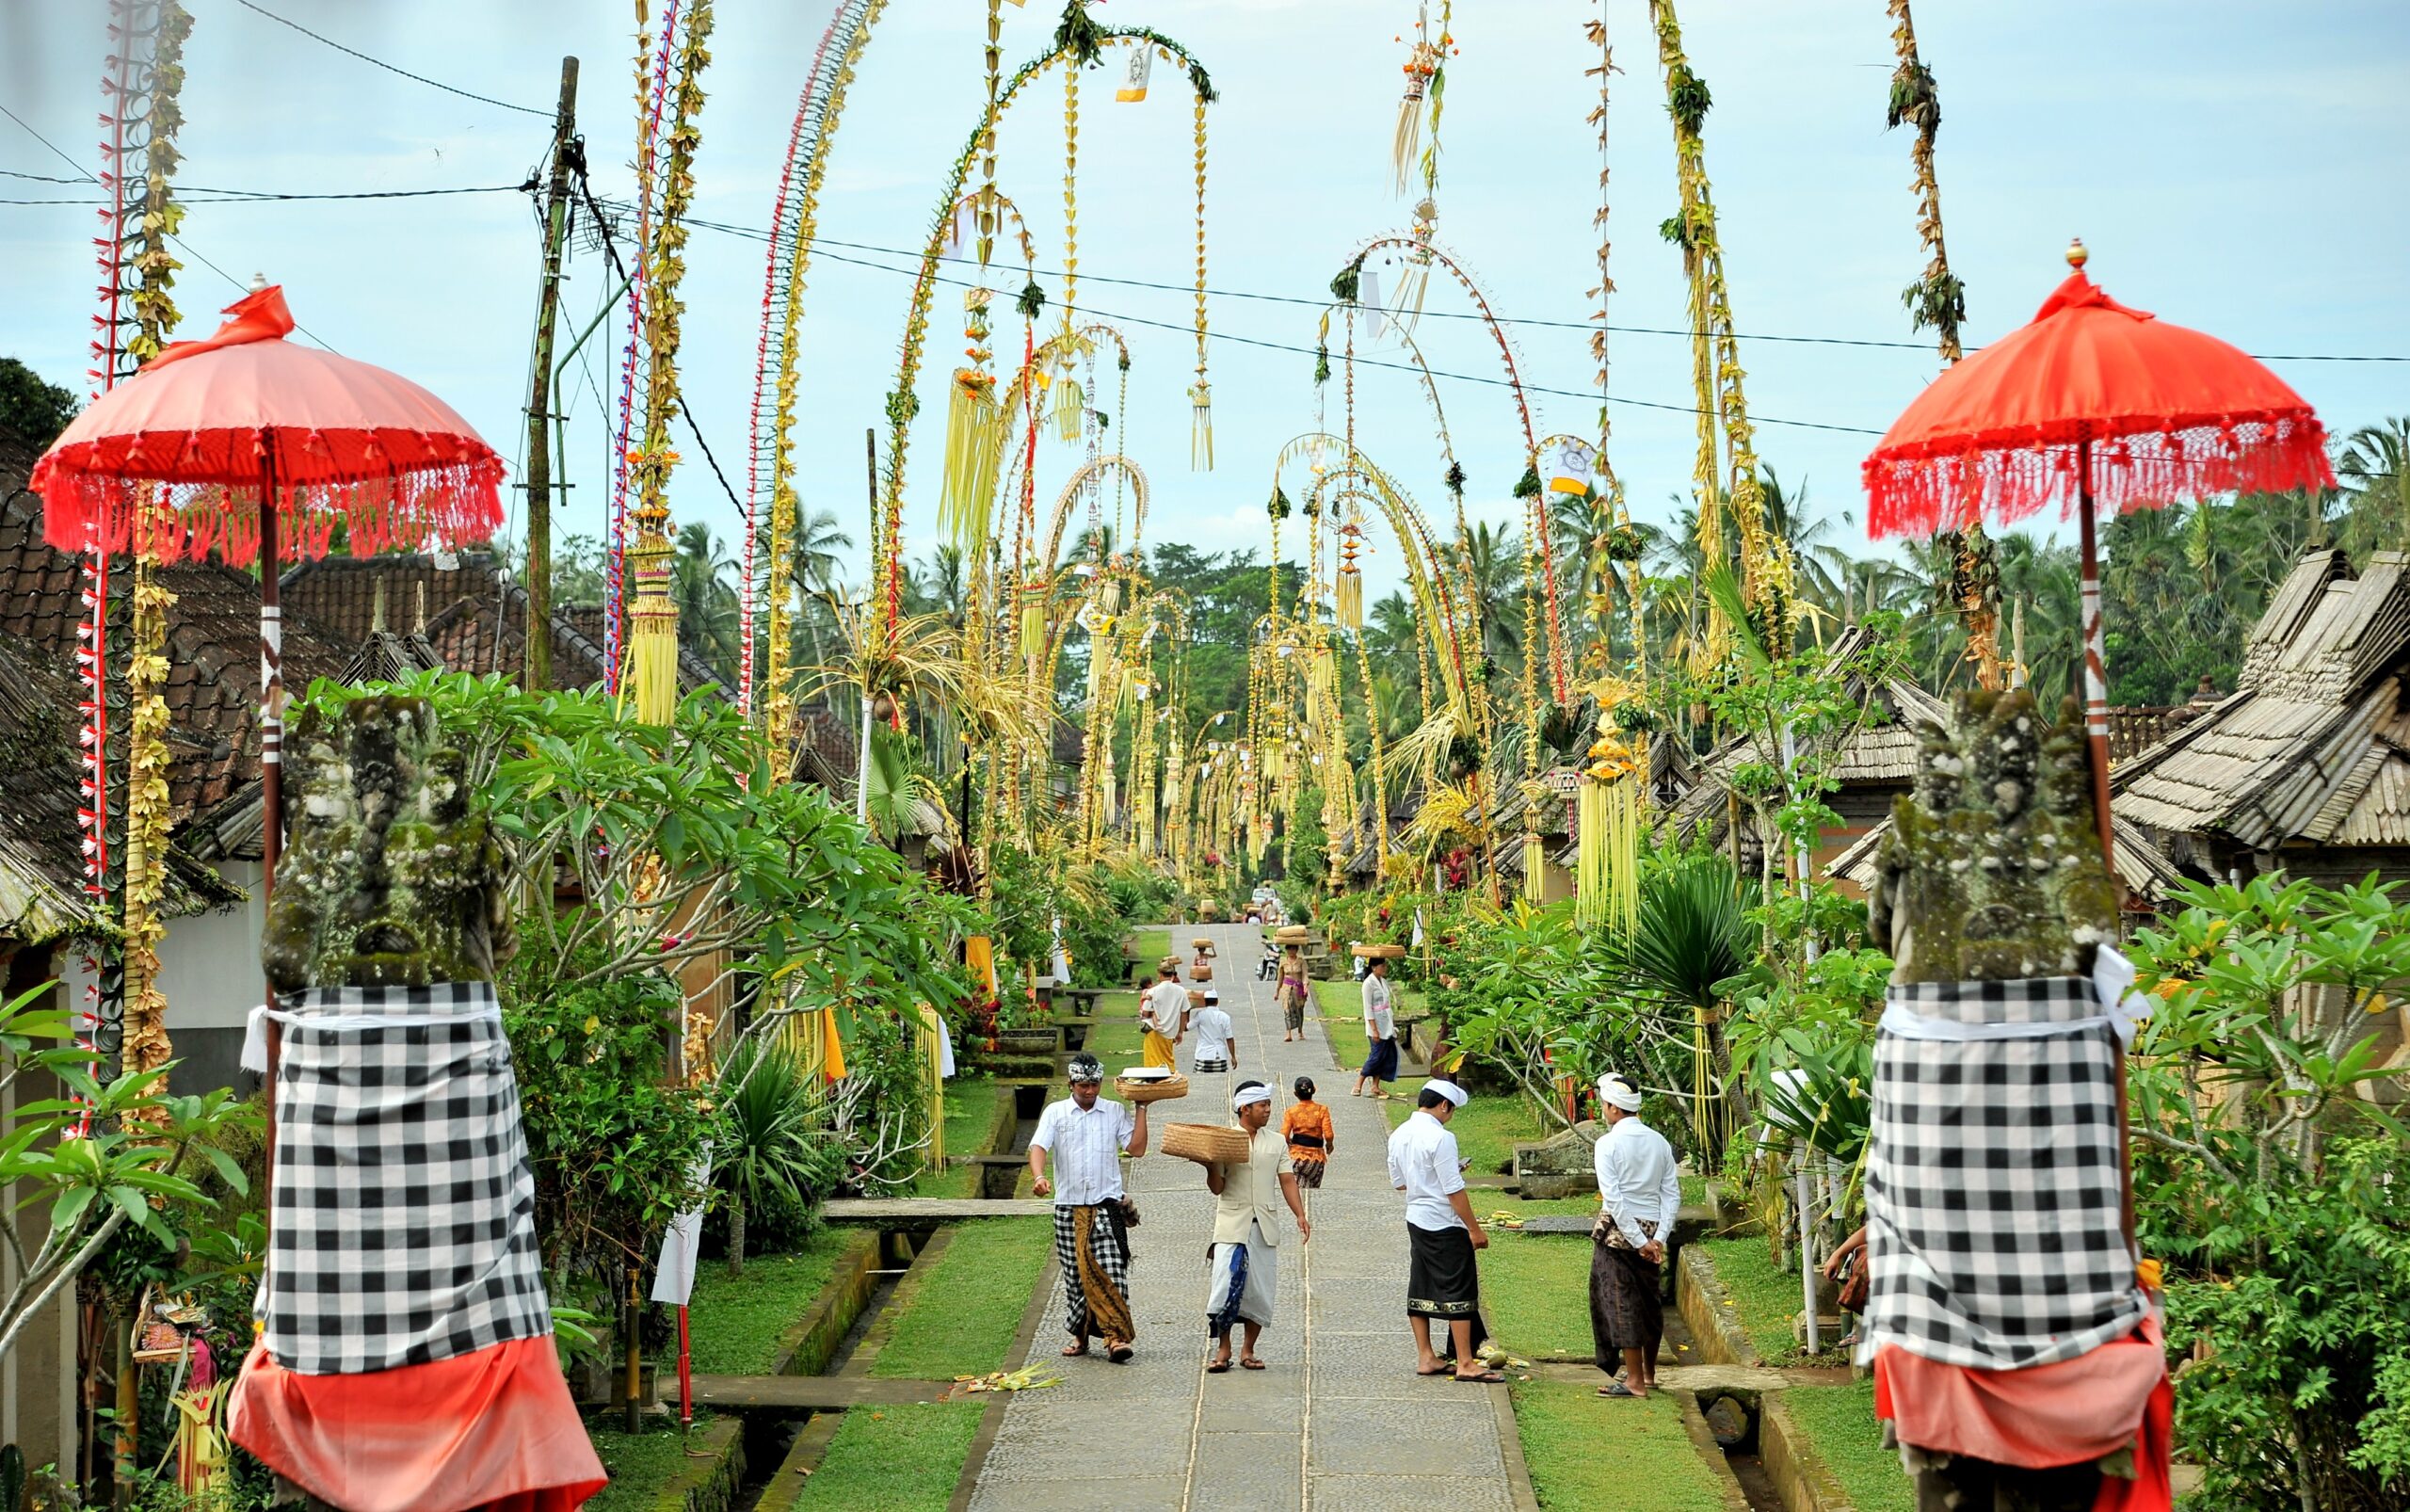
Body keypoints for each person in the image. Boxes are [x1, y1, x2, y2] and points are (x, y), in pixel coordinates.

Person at [1029, 1053, 1149, 1362]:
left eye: (1095, 1085)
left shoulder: (1113, 1111)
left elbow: (1136, 1149)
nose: (1090, 1091)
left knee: (1112, 1273)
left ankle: (1115, 1338)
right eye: (1084, 1085)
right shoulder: (1055, 1113)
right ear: (1071, 1084)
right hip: (1069, 1208)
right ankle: (1080, 1335)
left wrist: (1141, 1110)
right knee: (1076, 1276)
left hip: (1106, 1208)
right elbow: (1039, 1146)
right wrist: (1040, 1176)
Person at [1387, 1078, 1501, 1382]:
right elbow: (1453, 1190)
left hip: (1416, 1217)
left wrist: (1432, 1177)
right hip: (1444, 1222)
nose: (1450, 1116)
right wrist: (1474, 1229)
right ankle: (1465, 1361)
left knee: (1421, 1285)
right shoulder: (1442, 1137)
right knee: (1459, 1288)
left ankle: (1426, 1355)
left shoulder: (1399, 1134)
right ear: (1444, 1105)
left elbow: (1400, 1182)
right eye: (1451, 1111)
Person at [1202, 1080, 1311, 1373]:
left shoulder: (1276, 1141)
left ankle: (1248, 1349)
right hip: (1231, 1224)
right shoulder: (1226, 1139)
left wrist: (1299, 1214)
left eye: (1268, 1105)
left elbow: (1287, 1180)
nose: (1267, 1110)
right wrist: (1210, 1165)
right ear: (1244, 1108)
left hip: (1264, 1223)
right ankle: (1223, 1348)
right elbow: (1217, 1187)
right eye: (1262, 1105)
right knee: (1224, 1286)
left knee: (1260, 1289)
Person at [1590, 1074, 1682, 1398]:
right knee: (1648, 1302)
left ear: (1614, 1108)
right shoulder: (1659, 1141)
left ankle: (1634, 1382)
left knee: (1622, 1303)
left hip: (1620, 1233)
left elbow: (1613, 1199)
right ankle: (1648, 1373)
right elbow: (1671, 1194)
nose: (1603, 1109)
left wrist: (1640, 1242)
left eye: (1604, 1104)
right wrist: (1658, 1238)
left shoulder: (1608, 1143)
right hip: (1653, 1230)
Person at [1353, 956, 1399, 1097]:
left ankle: (1375, 1086)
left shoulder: (1383, 982)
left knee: (1384, 1056)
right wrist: (1374, 1029)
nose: (1385, 968)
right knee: (1376, 1055)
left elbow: (1387, 1004)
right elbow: (1368, 1008)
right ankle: (1358, 1084)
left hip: (1386, 1023)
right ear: (1374, 967)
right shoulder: (1368, 983)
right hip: (1376, 1024)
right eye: (1382, 966)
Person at [1280, 1075, 1334, 1190]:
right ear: (1314, 1090)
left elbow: (1284, 1136)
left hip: (1297, 1157)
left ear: (1295, 1094)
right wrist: (1329, 1145)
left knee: (1298, 1192)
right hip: (1316, 1160)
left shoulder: (1291, 1112)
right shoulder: (1322, 1110)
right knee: (1313, 1191)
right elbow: (1328, 1134)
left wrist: (1290, 1142)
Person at [1140, 963, 1189, 1070]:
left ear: (1160, 974)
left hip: (1154, 1033)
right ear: (1172, 974)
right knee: (1168, 1064)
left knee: (1152, 1066)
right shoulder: (1181, 991)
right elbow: (1184, 1012)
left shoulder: (1153, 991)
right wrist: (1180, 1032)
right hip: (1170, 1034)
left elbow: (1145, 1012)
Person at [1189, 992, 1236, 1076]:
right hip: (1220, 1055)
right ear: (1217, 1001)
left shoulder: (1200, 1015)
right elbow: (1229, 1038)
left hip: (1203, 1055)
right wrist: (1233, 1057)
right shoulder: (1225, 1017)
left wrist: (1187, 1010)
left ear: (1205, 1002)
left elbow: (1187, 1027)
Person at [1277, 944, 1309, 1042]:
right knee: (1287, 1009)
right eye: (1289, 949)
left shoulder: (1301, 961)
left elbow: (1305, 975)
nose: (1291, 951)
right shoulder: (1283, 961)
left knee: (1299, 1010)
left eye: (1293, 949)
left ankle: (1300, 1031)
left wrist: (1305, 985)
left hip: (1298, 988)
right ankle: (1288, 1033)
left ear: (1296, 950)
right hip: (1286, 988)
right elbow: (1280, 977)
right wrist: (1277, 991)